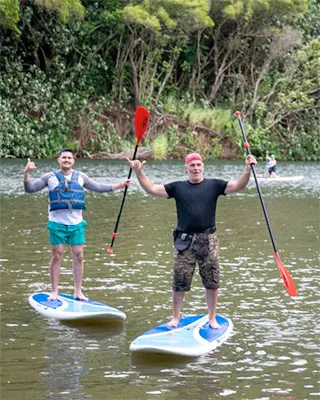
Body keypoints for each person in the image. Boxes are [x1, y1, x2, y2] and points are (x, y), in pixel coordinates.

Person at [128, 152, 257, 329]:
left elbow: (238, 185)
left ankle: (212, 318)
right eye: (192, 165)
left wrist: (247, 169)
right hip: (184, 241)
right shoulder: (177, 187)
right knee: (179, 281)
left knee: (212, 281)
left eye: (198, 165)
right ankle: (175, 317)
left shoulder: (214, 185)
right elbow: (152, 189)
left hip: (208, 240)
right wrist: (139, 173)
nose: (196, 168)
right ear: (186, 168)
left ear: (203, 166)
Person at [24, 148, 130, 301]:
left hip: (76, 224)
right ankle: (54, 291)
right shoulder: (50, 177)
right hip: (57, 224)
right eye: (64, 158)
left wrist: (120, 185)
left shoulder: (81, 177)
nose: (66, 160)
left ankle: (78, 291)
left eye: (69, 158)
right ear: (58, 160)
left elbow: (98, 187)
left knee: (79, 256)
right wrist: (26, 172)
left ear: (73, 161)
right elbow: (29, 189)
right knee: (57, 255)